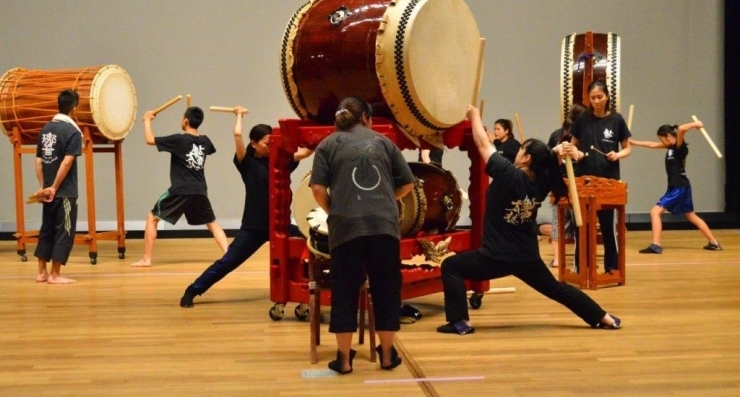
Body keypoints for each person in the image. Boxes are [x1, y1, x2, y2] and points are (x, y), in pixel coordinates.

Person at [437, 105, 621, 335]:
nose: (517, 153)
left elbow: (483, 144)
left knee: (451, 266)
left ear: (526, 158)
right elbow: (548, 158)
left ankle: (459, 322)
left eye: (521, 150)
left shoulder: (508, 174)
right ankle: (603, 317)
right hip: (526, 257)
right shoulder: (543, 181)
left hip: (495, 256)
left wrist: (474, 115)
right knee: (556, 289)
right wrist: (560, 149)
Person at [310, 97, 415, 374]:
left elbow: (318, 189)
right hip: (383, 226)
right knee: (386, 289)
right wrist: (386, 199)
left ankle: (343, 360)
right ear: (367, 118)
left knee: (344, 290)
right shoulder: (384, 143)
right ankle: (388, 355)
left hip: (346, 228)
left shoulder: (328, 144)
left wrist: (336, 209)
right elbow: (408, 182)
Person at [180, 107, 313, 307]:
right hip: (253, 227)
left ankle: (306, 293)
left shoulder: (281, 161)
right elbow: (237, 134)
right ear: (254, 143)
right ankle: (193, 290)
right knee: (228, 262)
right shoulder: (247, 163)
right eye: (267, 144)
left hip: (280, 226)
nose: (271, 147)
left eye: (273, 143)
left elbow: (306, 151)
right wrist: (239, 116)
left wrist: (314, 127)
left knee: (311, 244)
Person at [131, 106, 229, 267]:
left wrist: (147, 120)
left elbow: (149, 139)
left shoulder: (179, 140)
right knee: (212, 223)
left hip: (181, 189)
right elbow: (207, 149)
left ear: (185, 120)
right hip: (200, 189)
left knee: (151, 218)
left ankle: (146, 259)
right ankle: (228, 255)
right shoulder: (205, 141)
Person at [563, 80, 631, 273]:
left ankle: (612, 267)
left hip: (608, 181)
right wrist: (575, 152)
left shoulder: (616, 120)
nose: (596, 101)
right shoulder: (583, 119)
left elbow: (628, 149)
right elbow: (573, 144)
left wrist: (617, 155)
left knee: (608, 227)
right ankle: (582, 266)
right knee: (581, 226)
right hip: (584, 180)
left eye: (599, 97)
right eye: (592, 98)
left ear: (607, 96)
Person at [629, 121, 722, 253]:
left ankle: (655, 245)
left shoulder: (679, 147)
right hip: (681, 186)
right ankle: (713, 242)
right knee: (691, 216)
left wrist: (696, 124)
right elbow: (651, 144)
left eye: (661, 139)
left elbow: (682, 129)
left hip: (679, 187)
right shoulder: (670, 148)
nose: (660, 142)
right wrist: (634, 143)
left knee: (655, 212)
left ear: (668, 136)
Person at [34, 89, 82, 284]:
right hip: (64, 193)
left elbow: (38, 161)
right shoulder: (72, 131)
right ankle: (54, 274)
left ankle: (41, 273)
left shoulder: (45, 129)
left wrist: (44, 186)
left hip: (48, 192)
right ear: (75, 108)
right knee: (64, 231)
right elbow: (67, 162)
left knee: (47, 229)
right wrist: (54, 187)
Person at [547, 103, 587, 268]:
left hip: (562, 182)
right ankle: (581, 259)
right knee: (579, 222)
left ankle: (558, 259)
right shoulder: (583, 134)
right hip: (575, 182)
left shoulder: (557, 134)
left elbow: (548, 158)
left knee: (559, 221)